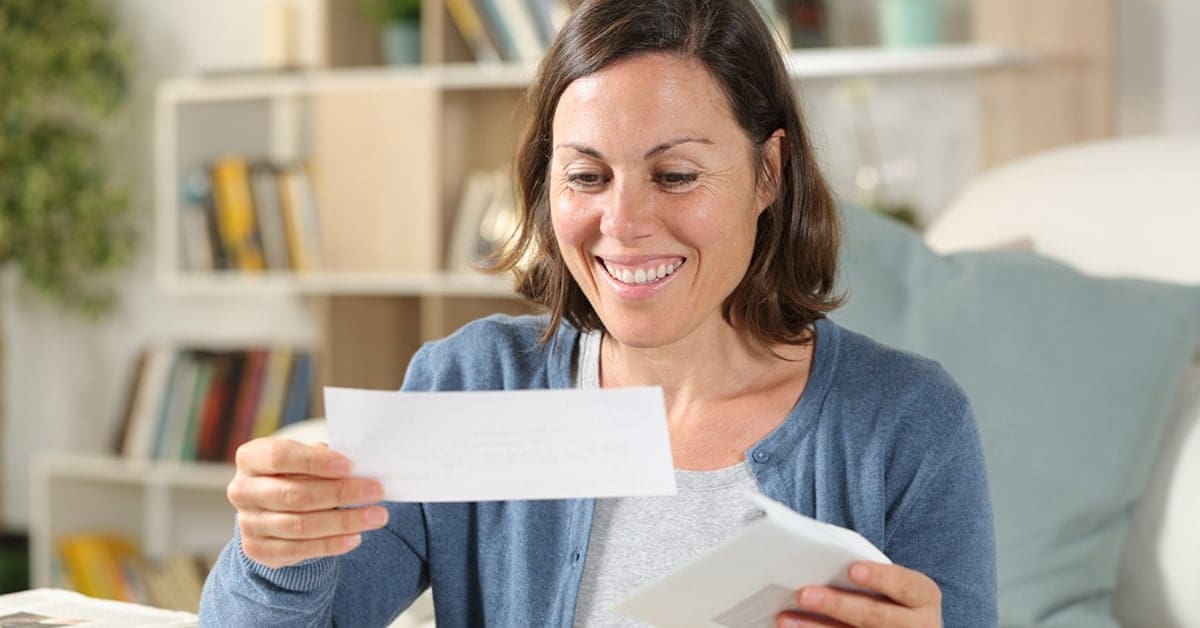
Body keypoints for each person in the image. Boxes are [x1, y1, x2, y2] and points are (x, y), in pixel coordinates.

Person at [199, 0, 997, 626]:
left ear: (769, 174)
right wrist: (278, 555)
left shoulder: (907, 425)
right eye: (586, 176)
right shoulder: (471, 384)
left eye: (676, 175)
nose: (622, 223)